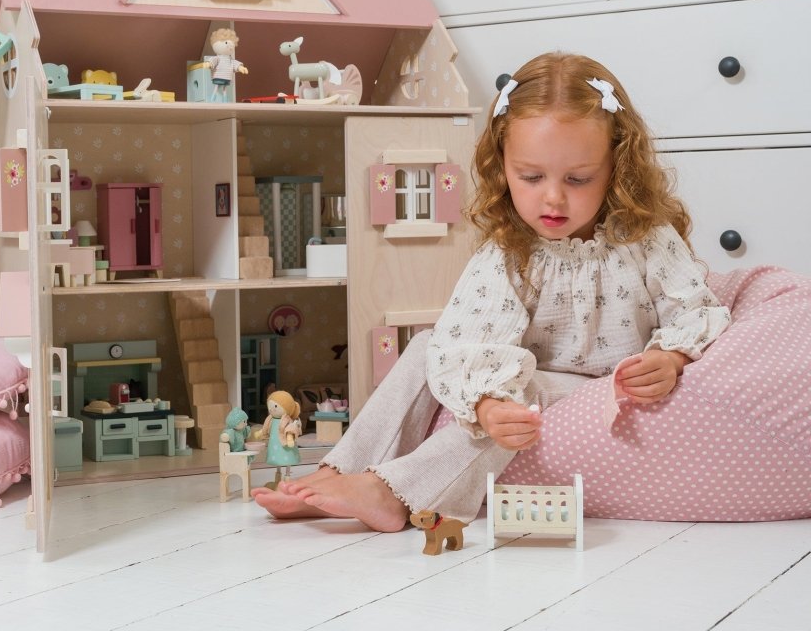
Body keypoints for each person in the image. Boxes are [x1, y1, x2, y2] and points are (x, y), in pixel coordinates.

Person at [252, 51, 731, 532]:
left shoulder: (645, 238)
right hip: (513, 377)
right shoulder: (508, 250)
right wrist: (485, 403)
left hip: (595, 389)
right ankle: (341, 471)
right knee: (426, 346)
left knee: (523, 390)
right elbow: (467, 340)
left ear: (617, 167)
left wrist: (670, 357)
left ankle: (392, 492)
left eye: (579, 178)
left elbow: (696, 309)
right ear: (503, 167)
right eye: (531, 176)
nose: (553, 197)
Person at [199, 27, 247, 101]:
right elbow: (213, 60)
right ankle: (212, 100)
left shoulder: (230, 60)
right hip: (218, 76)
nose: (230, 46)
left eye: (232, 44)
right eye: (226, 43)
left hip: (227, 77)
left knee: (224, 89)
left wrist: (241, 68)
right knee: (216, 87)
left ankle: (225, 101)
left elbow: (235, 64)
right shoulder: (218, 58)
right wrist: (209, 63)